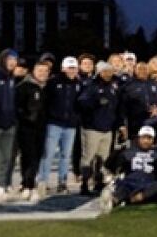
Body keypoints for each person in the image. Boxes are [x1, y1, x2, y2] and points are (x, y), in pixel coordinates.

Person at [38, 56, 82, 194]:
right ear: (63, 68)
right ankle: (42, 181)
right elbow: (45, 102)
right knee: (48, 154)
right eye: (69, 68)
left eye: (74, 68)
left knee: (65, 155)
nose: (71, 71)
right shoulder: (53, 82)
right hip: (54, 123)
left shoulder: (78, 84)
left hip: (70, 125)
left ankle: (62, 182)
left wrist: (76, 118)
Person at [76, 61, 121, 195]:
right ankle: (84, 184)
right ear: (100, 72)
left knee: (103, 158)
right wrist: (96, 102)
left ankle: (98, 182)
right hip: (92, 128)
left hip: (107, 128)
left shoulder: (113, 86)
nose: (108, 74)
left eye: (110, 71)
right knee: (88, 157)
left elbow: (116, 107)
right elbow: (81, 103)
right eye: (105, 71)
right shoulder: (91, 85)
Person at [100, 125, 157, 211]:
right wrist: (118, 149)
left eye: (149, 138)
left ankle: (133, 198)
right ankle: (113, 201)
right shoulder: (129, 151)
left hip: (149, 182)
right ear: (139, 138)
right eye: (144, 138)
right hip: (131, 180)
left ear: (153, 140)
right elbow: (110, 165)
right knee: (123, 186)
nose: (146, 141)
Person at [15, 61, 50, 201]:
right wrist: (27, 118)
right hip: (26, 128)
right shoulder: (24, 87)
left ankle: (27, 183)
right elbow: (17, 107)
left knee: (37, 156)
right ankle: (28, 184)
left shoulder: (47, 88)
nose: (42, 73)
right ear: (33, 71)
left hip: (41, 128)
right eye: (40, 70)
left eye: (45, 71)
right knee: (29, 156)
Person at [0, 49, 19, 199]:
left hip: (9, 124)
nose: (13, 62)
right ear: (3, 59)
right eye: (10, 59)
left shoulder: (12, 78)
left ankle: (0, 185)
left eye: (15, 59)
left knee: (6, 157)